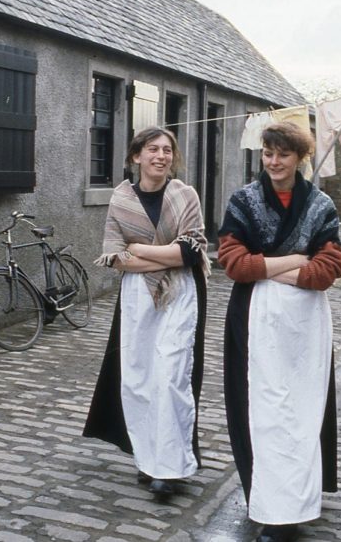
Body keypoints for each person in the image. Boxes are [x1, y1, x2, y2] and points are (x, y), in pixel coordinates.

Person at [217, 121, 341, 542]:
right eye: (268, 153)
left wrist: (272, 267)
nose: (274, 162)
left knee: (302, 410)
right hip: (254, 317)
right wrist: (294, 260)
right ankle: (272, 508)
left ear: (300, 157)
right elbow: (234, 263)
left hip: (306, 320)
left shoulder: (320, 205)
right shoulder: (244, 201)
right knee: (264, 410)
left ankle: (298, 501)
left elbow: (331, 267)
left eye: (283, 154)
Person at [83, 126, 210, 499]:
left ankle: (169, 469)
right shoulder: (120, 200)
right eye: (152, 149)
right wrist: (158, 254)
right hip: (138, 295)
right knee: (139, 377)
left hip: (180, 293)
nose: (161, 156)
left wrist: (141, 249)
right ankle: (147, 458)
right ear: (136, 156)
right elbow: (115, 258)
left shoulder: (185, 195)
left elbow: (190, 252)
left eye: (167, 150)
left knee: (171, 376)